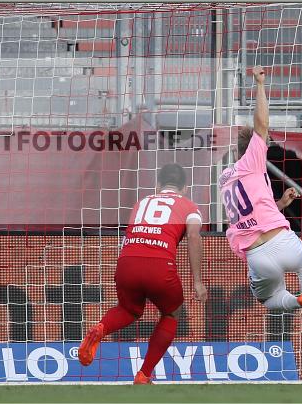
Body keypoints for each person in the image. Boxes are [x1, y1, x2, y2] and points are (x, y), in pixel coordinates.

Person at [218, 65, 302, 337]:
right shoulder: (253, 160)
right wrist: (259, 84)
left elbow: (246, 214)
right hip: (284, 242)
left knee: (270, 300)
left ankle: (298, 301)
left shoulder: (225, 178)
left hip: (258, 255)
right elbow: (261, 125)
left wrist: (279, 204)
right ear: (255, 148)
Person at [77, 163, 206, 384]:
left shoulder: (141, 203)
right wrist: (197, 281)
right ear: (184, 188)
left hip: (127, 262)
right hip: (159, 266)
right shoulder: (190, 207)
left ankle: (100, 328)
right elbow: (194, 237)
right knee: (171, 313)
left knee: (128, 308)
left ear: (157, 186)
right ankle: (144, 374)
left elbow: (129, 235)